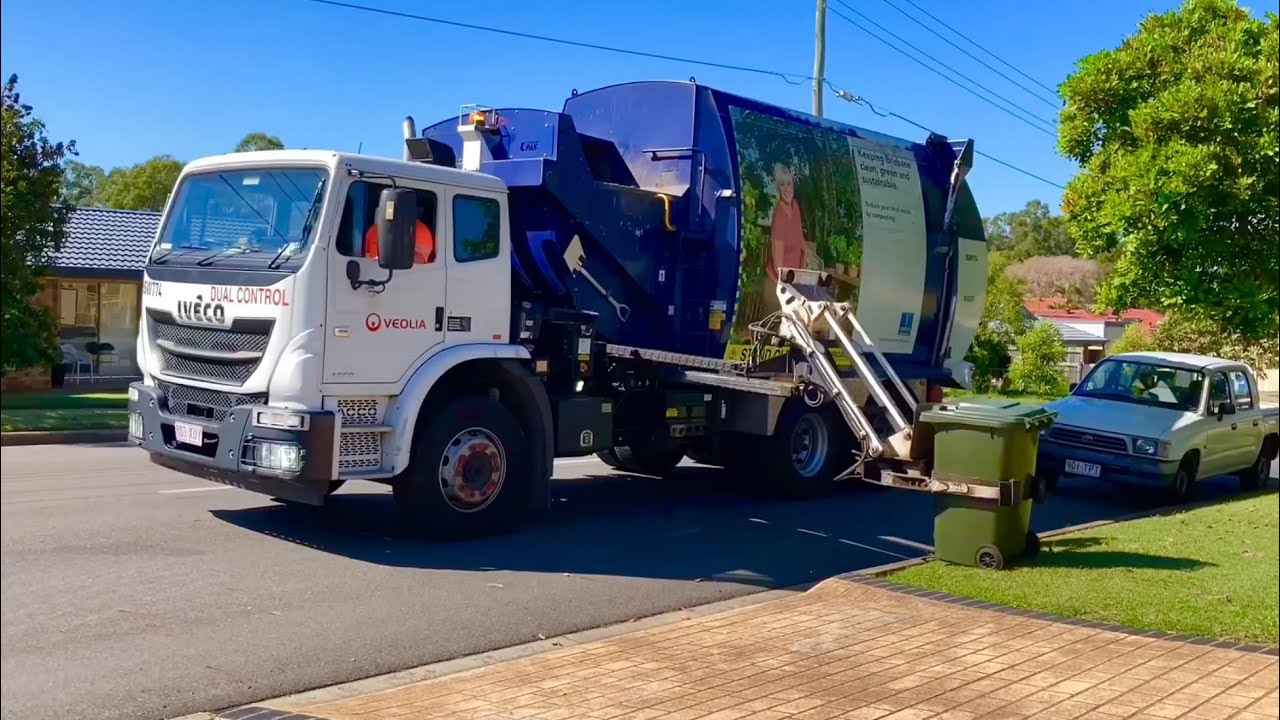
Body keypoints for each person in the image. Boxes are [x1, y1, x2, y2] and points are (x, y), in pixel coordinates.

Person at [364, 218, 436, 265]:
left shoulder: (420, 230)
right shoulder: (374, 230)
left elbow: (419, 260)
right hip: (374, 282)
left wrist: (386, 260)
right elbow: (366, 258)